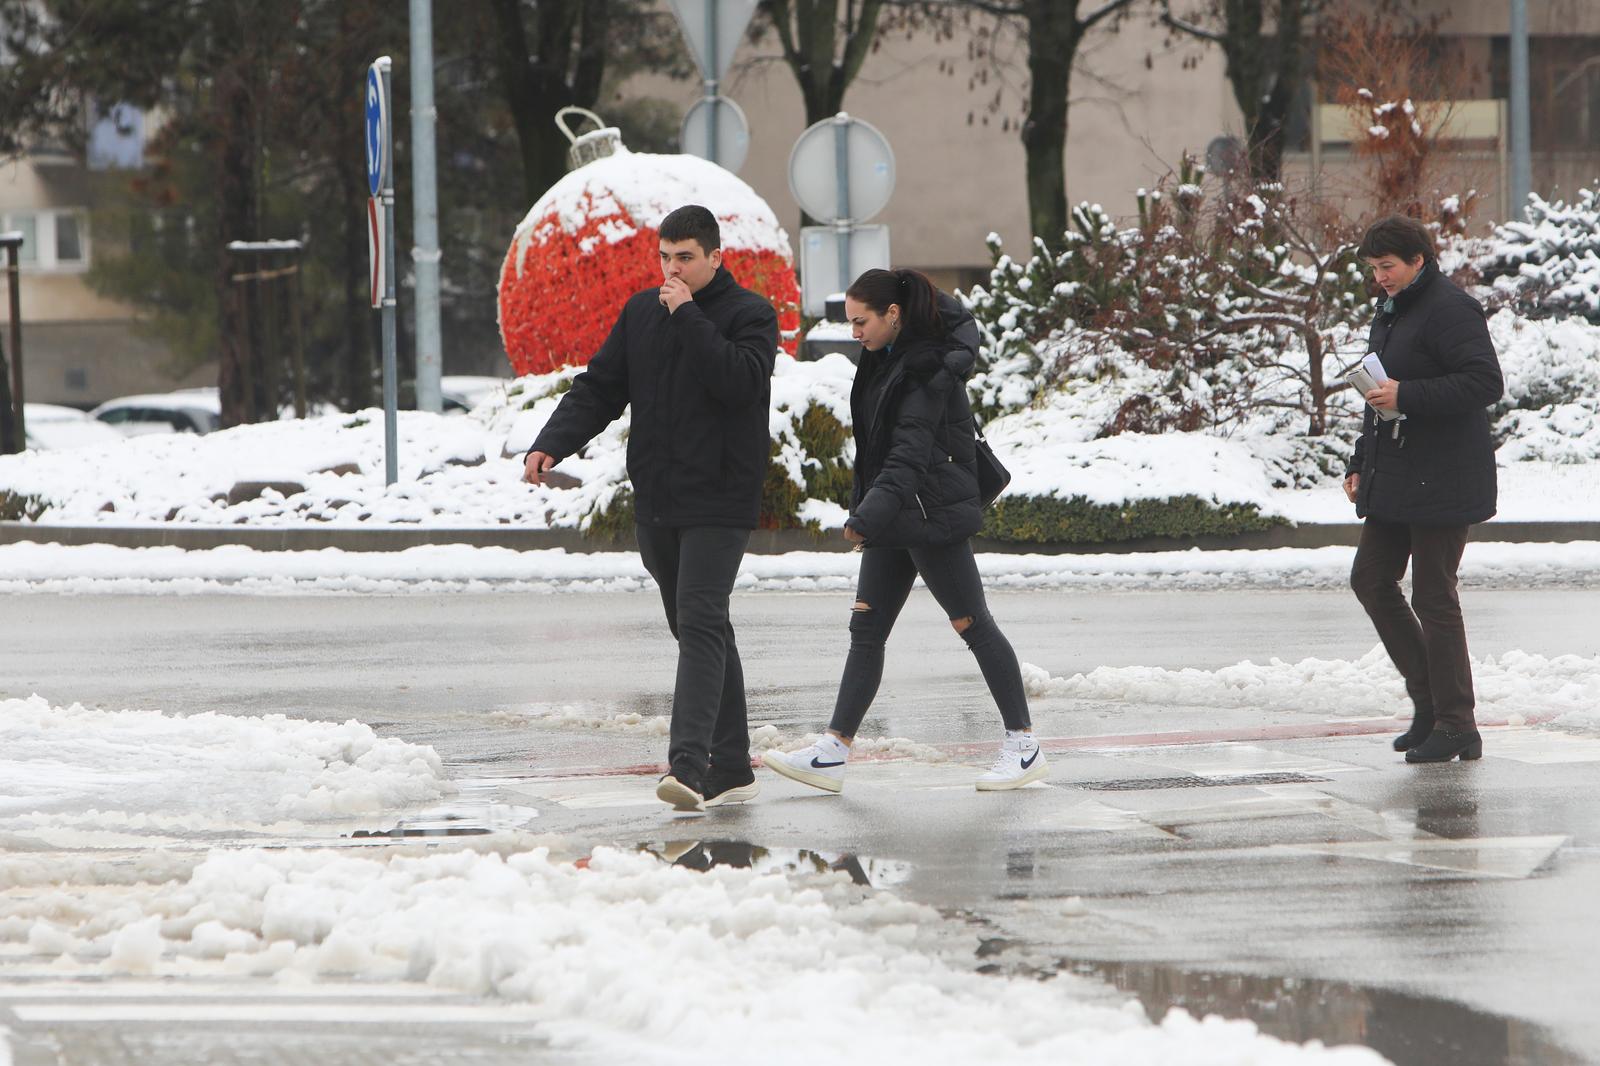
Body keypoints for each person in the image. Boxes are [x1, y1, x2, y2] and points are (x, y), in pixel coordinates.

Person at [523, 204, 778, 810]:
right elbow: (602, 386)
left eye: (685, 258)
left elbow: (737, 383)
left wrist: (689, 315)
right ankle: (735, 762)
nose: (672, 269)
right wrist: (551, 443)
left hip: (720, 496)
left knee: (698, 618)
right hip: (659, 498)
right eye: (665, 257)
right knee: (701, 626)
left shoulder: (750, 315)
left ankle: (688, 766)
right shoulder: (641, 312)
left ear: (717, 258)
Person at [763, 268, 1046, 793]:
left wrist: (865, 515)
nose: (855, 333)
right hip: (899, 512)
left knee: (972, 624)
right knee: (866, 629)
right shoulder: (884, 357)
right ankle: (833, 750)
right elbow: (878, 450)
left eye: (860, 321)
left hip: (929, 515)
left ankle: (1023, 744)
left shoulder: (925, 370)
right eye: (849, 322)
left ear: (893, 315)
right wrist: (875, 509)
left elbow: (908, 458)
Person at [1344, 215, 1504, 763]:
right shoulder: (1392, 311)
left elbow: (1484, 381)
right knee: (1370, 579)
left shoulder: (1450, 309)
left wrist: (1407, 395)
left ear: (1418, 260)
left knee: (1434, 596)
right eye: (1372, 269)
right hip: (1396, 474)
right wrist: (1360, 461)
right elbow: (1377, 389)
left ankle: (1458, 723)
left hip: (1444, 476)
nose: (1379, 277)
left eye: (1386, 266)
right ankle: (1429, 703)